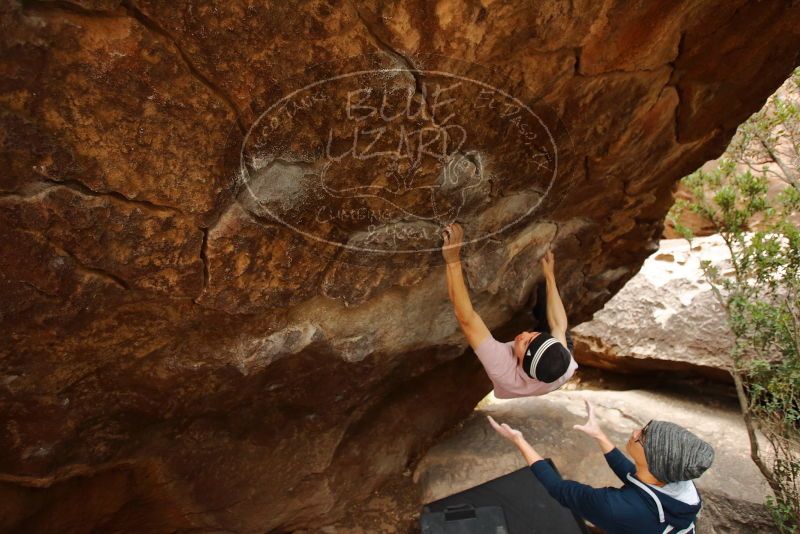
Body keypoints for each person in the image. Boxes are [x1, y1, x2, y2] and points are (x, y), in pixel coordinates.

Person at [487, 401, 714, 534]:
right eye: (644, 428)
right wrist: (599, 435)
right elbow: (636, 478)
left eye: (642, 437)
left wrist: (519, 441)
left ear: (655, 462)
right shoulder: (681, 484)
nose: (635, 432)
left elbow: (561, 490)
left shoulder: (616, 508)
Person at [441, 222, 577, 398]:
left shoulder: (503, 368)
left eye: (525, 343)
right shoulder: (558, 356)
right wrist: (550, 276)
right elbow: (558, 325)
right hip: (552, 363)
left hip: (524, 378)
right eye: (534, 335)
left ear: (521, 363)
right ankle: (541, 296)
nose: (524, 334)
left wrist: (453, 261)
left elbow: (466, 318)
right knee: (546, 295)